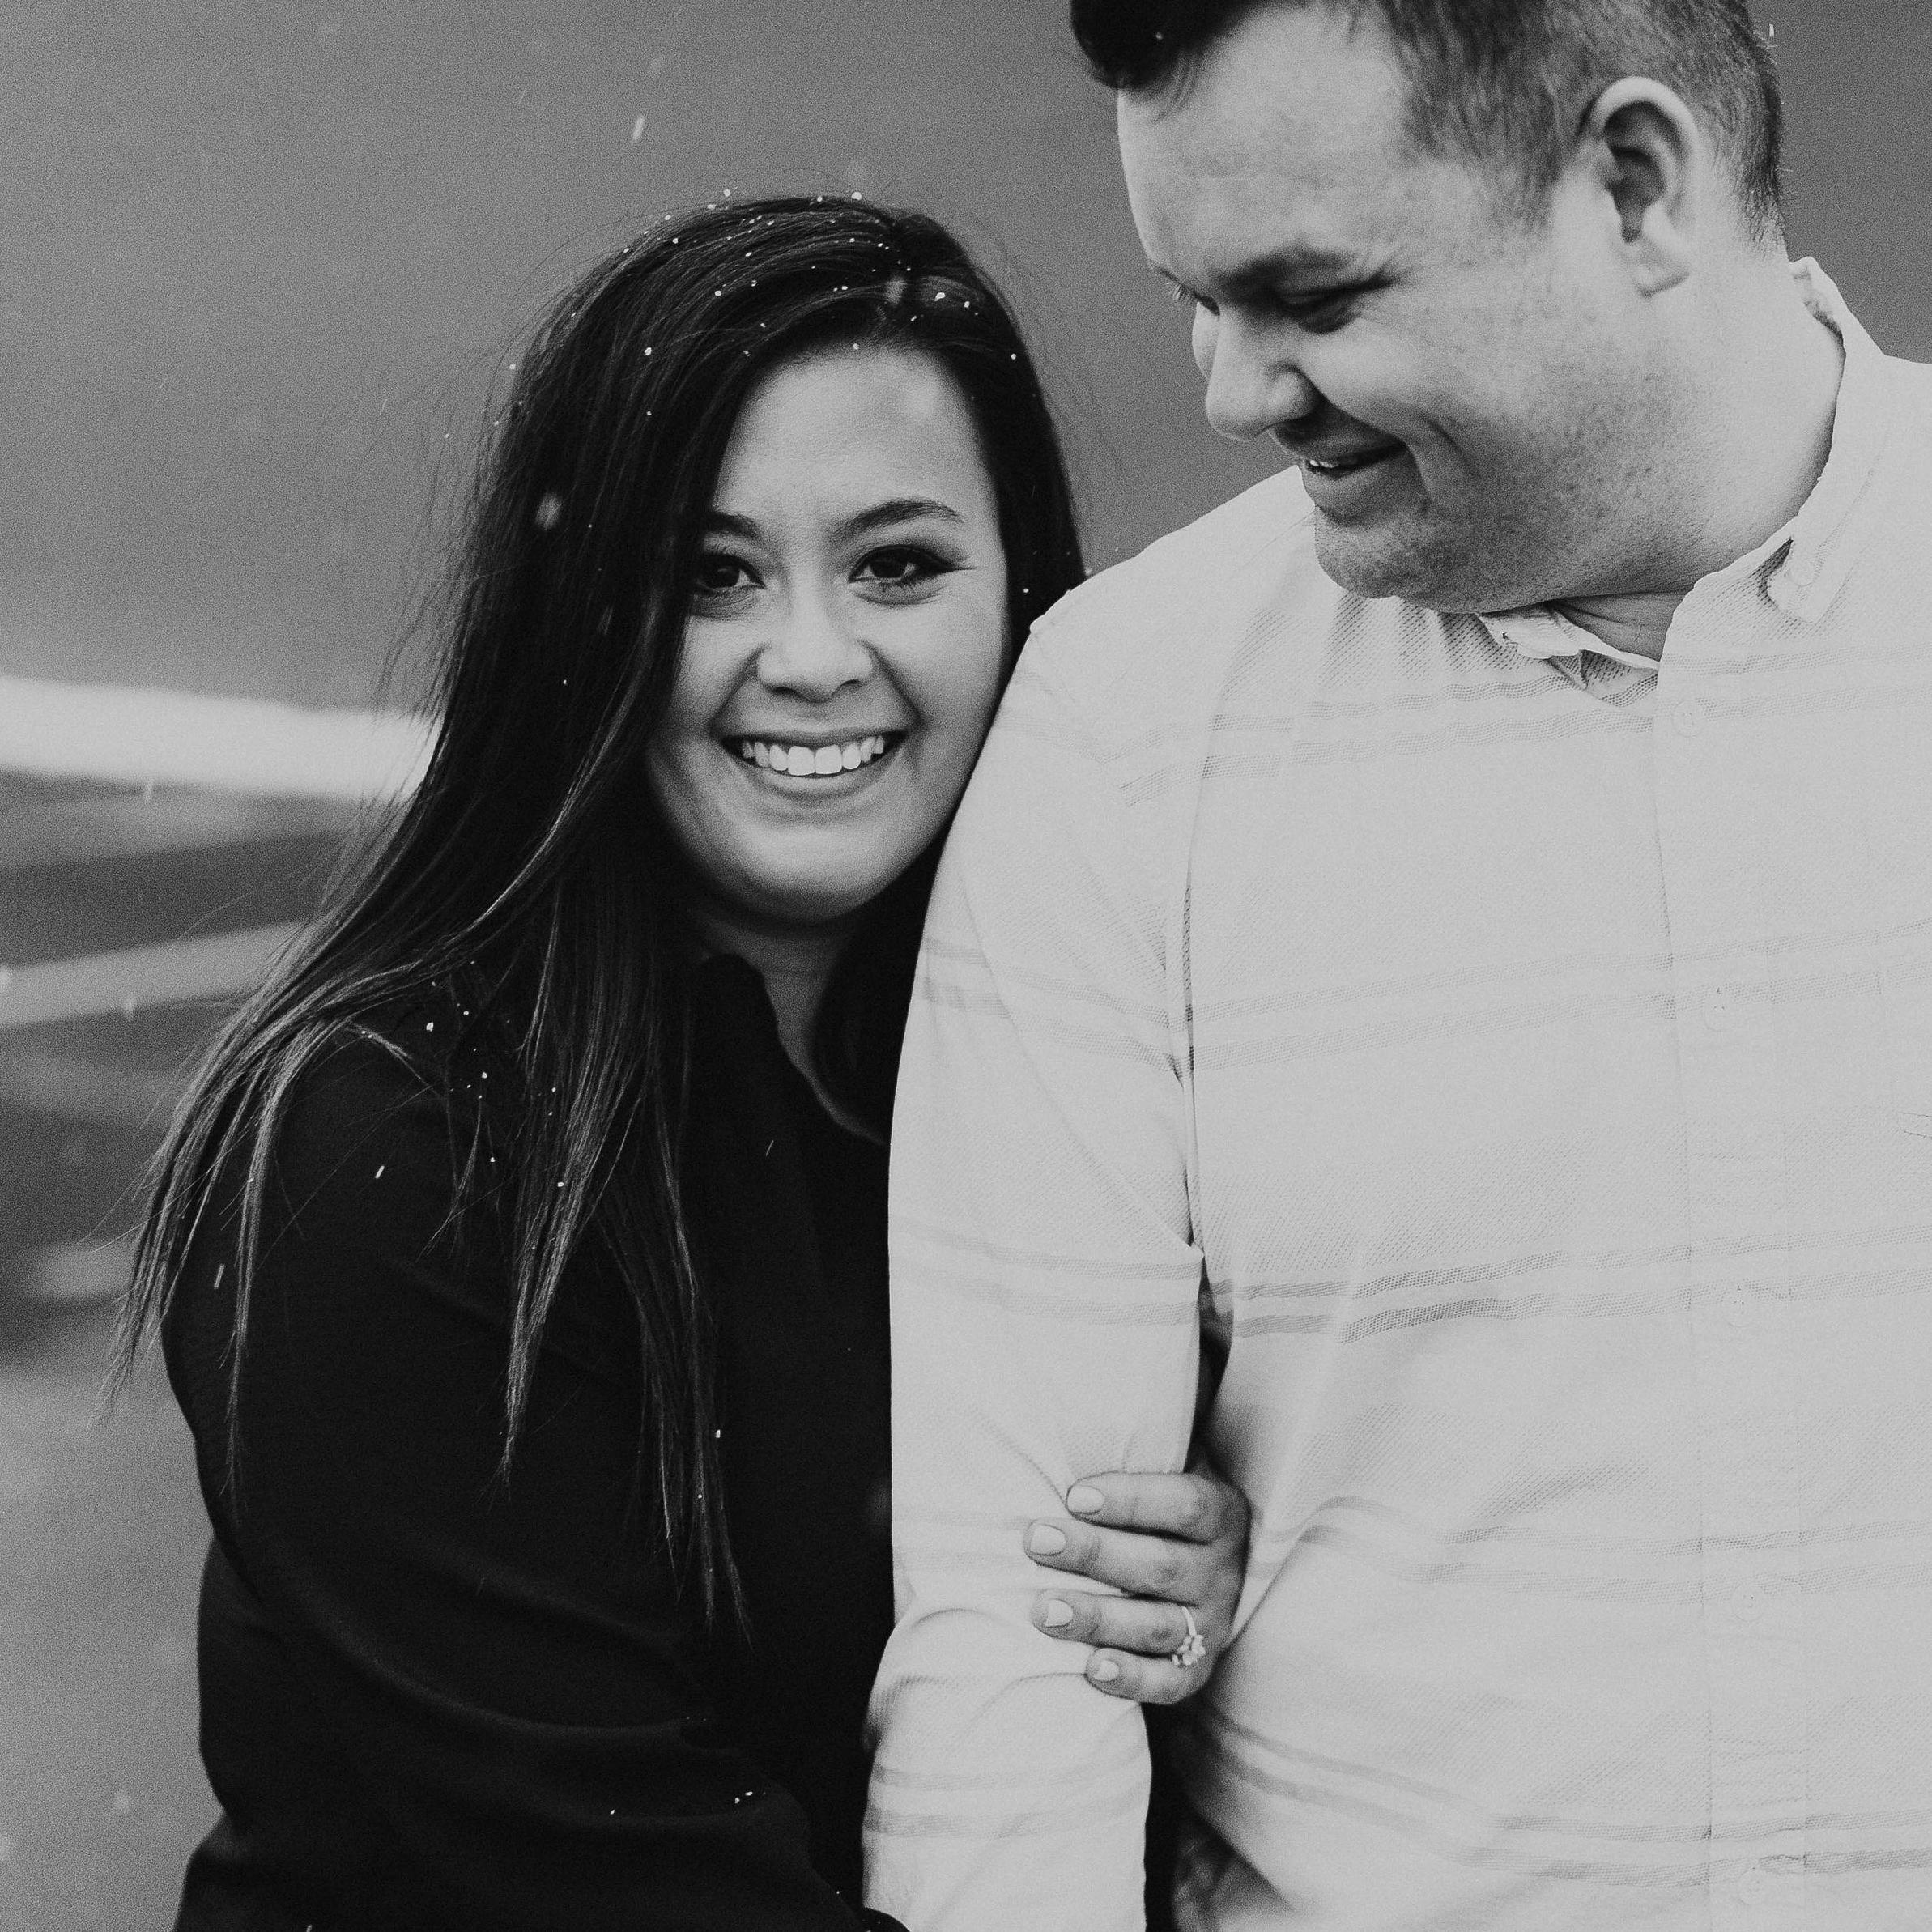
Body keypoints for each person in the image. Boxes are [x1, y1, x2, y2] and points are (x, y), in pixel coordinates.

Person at [865, 2, 1932, 1928]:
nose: (1230, 390)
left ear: (1633, 185)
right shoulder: (1126, 729)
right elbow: (1014, 1662)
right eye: (1194, 301)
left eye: (1310, 295)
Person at [114, 195, 1250, 1932]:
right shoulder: (381, 1140)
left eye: (896, 564)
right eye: (713, 575)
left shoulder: (1089, 1064)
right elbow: (611, 1861)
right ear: (579, 614)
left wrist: (1219, 1579)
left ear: (1027, 602)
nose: (813, 656)